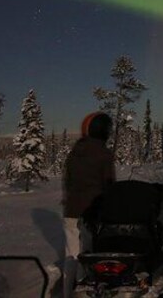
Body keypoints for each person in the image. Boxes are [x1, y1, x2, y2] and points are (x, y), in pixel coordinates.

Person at [62, 112, 115, 297]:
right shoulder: (104, 154)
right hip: (91, 213)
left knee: (71, 256)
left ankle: (67, 293)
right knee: (89, 256)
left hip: (71, 211)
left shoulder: (75, 152)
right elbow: (110, 187)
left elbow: (67, 183)